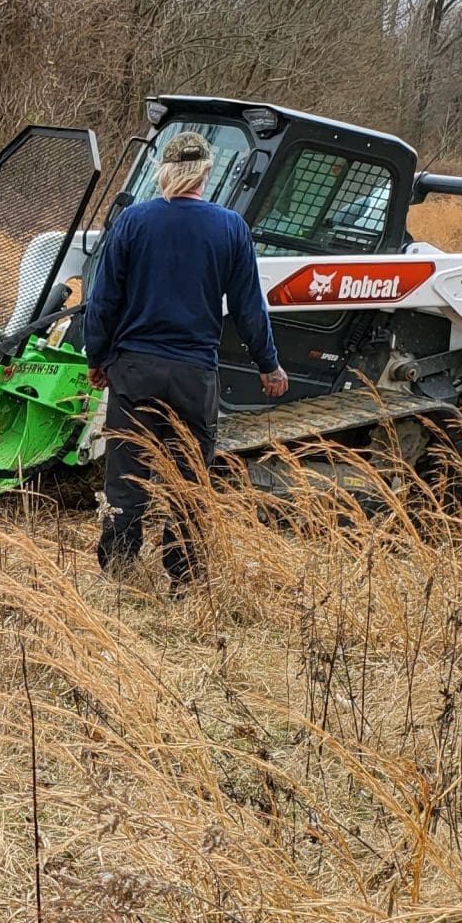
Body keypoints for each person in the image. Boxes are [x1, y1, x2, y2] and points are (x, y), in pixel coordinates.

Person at [82, 129, 287, 585]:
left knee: (126, 475)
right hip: (195, 376)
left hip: (134, 371)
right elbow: (250, 308)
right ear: (207, 173)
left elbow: (103, 301)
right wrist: (268, 364)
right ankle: (184, 575)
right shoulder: (230, 227)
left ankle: (118, 573)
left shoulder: (133, 222)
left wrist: (97, 358)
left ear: (164, 172)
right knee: (190, 481)